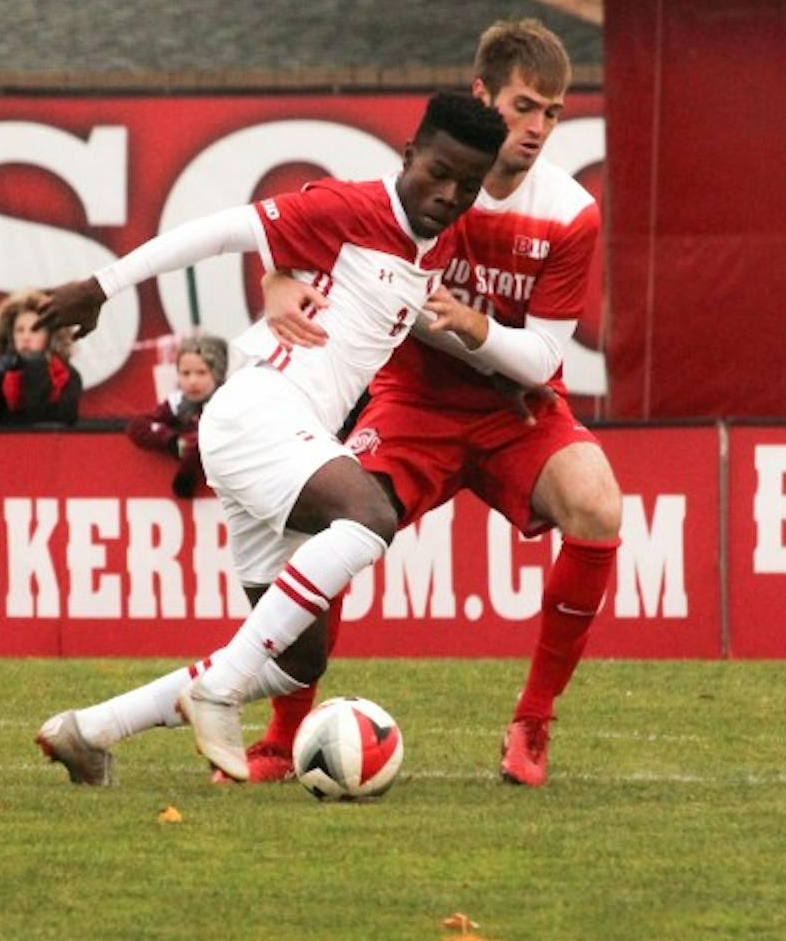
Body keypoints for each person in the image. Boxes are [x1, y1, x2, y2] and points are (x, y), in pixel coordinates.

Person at [33, 90, 506, 783]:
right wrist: (104, 285)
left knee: (297, 660)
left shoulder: (448, 240)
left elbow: (303, 264)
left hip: (288, 436)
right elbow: (220, 230)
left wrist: (280, 274)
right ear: (410, 156)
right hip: (260, 413)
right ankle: (218, 688)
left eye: (467, 184)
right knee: (371, 515)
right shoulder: (349, 207)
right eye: (438, 172)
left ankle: (91, 731)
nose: (448, 193)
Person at [254, 18, 621, 788]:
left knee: (598, 507)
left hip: (516, 409)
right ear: (482, 96)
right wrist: (277, 279)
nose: (538, 128)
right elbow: (290, 233)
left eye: (553, 113)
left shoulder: (568, 211)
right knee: (327, 525)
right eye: (524, 106)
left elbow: (545, 358)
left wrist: (470, 325)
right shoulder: (418, 186)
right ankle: (284, 734)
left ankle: (534, 721)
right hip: (414, 399)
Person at [124, 334, 227, 499]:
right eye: (185, 373)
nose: (192, 381)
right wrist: (172, 441)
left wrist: (186, 467)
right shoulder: (178, 402)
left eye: (201, 373)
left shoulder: (228, 403)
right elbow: (137, 426)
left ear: (217, 374)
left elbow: (202, 445)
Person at [0, 290, 82, 427]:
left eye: (35, 330)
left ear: (50, 336)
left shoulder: (67, 375)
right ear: (10, 336)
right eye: (19, 330)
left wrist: (36, 366)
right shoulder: (1, 373)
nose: (25, 337)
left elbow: (44, 418)